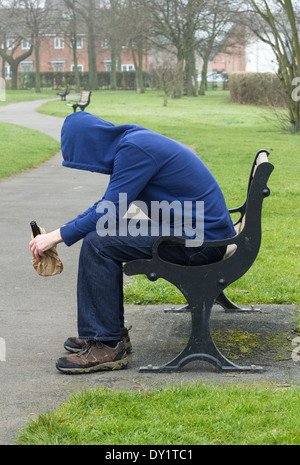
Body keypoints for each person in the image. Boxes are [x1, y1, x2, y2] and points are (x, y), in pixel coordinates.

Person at [29, 112, 236, 375]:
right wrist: (60, 232)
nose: (91, 168)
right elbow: (106, 207)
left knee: (98, 244)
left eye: (85, 161)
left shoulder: (135, 150)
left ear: (92, 145)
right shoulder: (133, 142)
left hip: (202, 242)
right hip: (200, 233)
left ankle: (106, 343)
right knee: (102, 238)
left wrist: (56, 236)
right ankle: (105, 332)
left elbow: (108, 211)